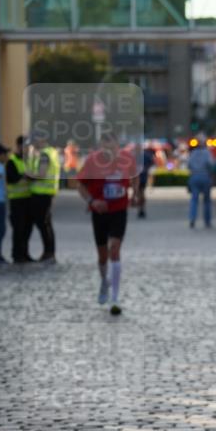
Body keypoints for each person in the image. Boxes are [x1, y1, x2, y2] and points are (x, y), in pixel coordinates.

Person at [76, 132, 139, 316]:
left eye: (111, 148)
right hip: (99, 213)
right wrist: (91, 202)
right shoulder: (92, 161)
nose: (108, 152)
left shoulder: (127, 159)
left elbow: (135, 176)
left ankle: (115, 298)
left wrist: (135, 193)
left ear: (117, 147)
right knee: (102, 256)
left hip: (119, 210)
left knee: (115, 249)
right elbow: (80, 185)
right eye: (104, 148)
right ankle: (104, 281)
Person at [27, 134, 60, 262]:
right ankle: (49, 252)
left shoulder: (44, 155)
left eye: (36, 138)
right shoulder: (52, 152)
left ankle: (48, 253)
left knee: (43, 224)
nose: (34, 141)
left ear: (43, 139)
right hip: (47, 193)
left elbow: (41, 174)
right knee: (46, 224)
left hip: (41, 194)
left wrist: (28, 175)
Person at [5, 137, 33, 263]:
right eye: (25, 146)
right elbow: (12, 179)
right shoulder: (12, 161)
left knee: (28, 228)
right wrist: (24, 176)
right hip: (16, 201)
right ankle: (17, 255)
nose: (27, 149)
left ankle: (25, 253)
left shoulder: (28, 160)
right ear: (18, 146)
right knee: (18, 229)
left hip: (27, 199)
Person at [187, 135, 214, 229]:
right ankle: (207, 221)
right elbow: (211, 164)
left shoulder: (193, 153)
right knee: (207, 201)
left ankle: (192, 219)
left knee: (194, 199)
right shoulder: (207, 153)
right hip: (205, 176)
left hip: (194, 177)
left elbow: (188, 165)